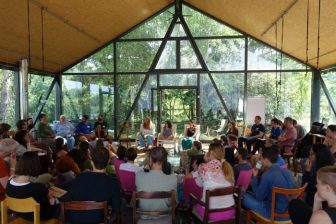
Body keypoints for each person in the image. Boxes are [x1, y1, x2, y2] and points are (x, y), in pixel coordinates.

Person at [60, 147, 121, 223]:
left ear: (91, 162)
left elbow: (70, 196)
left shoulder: (79, 178)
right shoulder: (113, 182)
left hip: (74, 220)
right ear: (108, 161)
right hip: (97, 220)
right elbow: (116, 206)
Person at [242, 145, 295, 220]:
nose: (260, 161)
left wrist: (254, 177)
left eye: (261, 159)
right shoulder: (288, 172)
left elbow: (259, 197)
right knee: (249, 193)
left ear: (266, 160)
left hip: (274, 213)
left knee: (243, 196)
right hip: (289, 212)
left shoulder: (267, 175)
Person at [6, 151, 59, 221]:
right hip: (38, 218)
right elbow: (46, 208)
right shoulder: (38, 188)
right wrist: (53, 201)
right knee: (59, 206)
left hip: (20, 214)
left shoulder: (9, 183)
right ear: (36, 166)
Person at [193, 142, 236, 221]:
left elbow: (198, 184)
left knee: (194, 205)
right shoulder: (229, 168)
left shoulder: (203, 167)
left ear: (211, 152)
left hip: (210, 214)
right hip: (230, 211)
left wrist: (204, 163)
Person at [136, 146, 177, 219]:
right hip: (165, 217)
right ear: (165, 161)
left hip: (144, 217)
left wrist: (146, 168)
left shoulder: (139, 176)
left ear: (150, 159)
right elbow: (175, 203)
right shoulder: (173, 178)